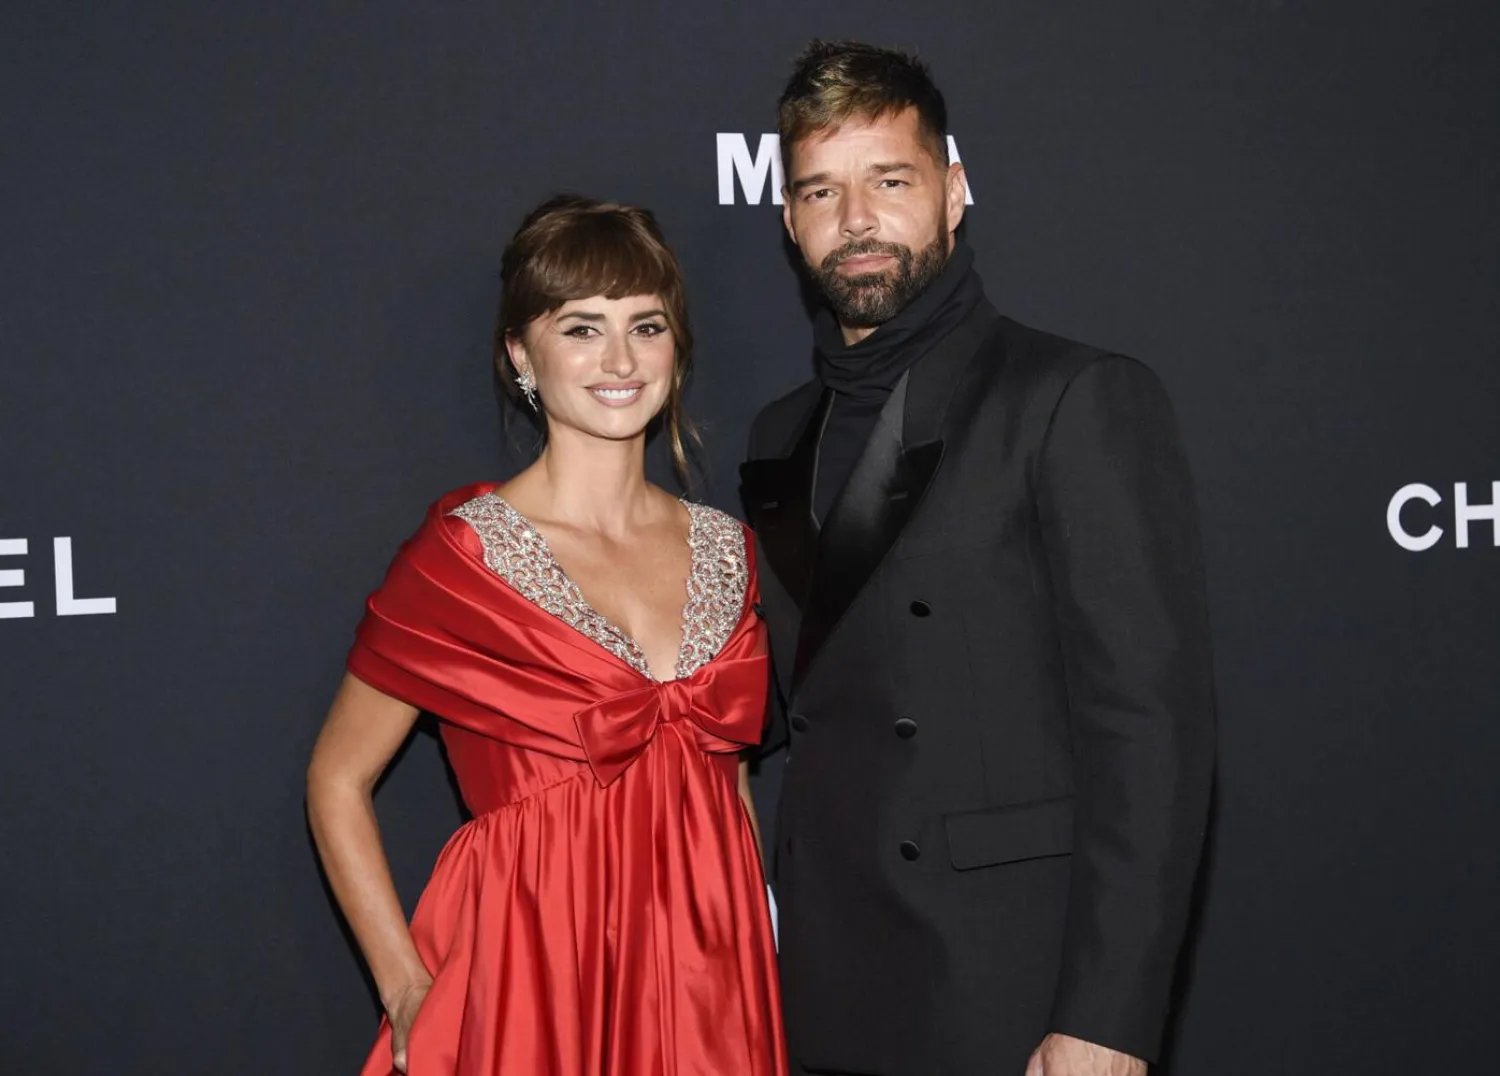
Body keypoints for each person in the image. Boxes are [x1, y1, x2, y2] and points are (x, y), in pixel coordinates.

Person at [741, 41, 1216, 1076]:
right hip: (822, 987)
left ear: (954, 192)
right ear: (789, 220)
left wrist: (1110, 1016)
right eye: (821, 191)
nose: (855, 219)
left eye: (890, 181)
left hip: (1010, 986)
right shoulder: (778, 435)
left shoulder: (1070, 397)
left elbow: (1149, 732)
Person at [308, 195, 787, 1076]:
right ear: (521, 355)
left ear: (676, 350)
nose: (620, 360)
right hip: (536, 966)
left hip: (712, 975)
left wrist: (757, 931)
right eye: (581, 328)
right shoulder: (461, 561)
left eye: (646, 327)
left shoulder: (729, 548)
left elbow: (731, 781)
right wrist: (404, 985)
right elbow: (337, 778)